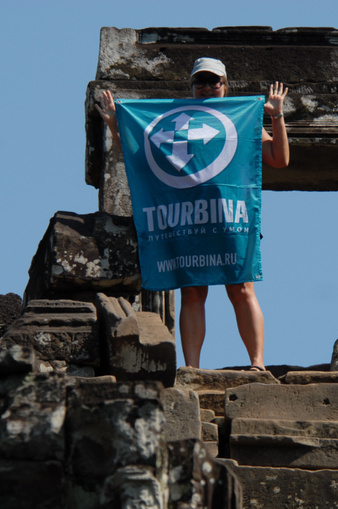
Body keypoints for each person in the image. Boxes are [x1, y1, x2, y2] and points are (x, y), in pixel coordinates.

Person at [95, 57, 289, 371]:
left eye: (214, 81)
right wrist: (116, 125)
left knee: (241, 288)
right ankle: (193, 369)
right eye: (201, 81)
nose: (207, 87)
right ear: (191, 87)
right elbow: (140, 157)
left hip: (230, 216)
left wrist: (277, 116)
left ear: (226, 86)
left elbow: (279, 159)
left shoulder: (242, 118)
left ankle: (257, 364)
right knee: (193, 291)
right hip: (188, 219)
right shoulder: (176, 121)